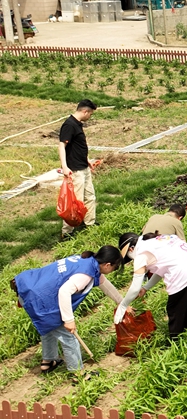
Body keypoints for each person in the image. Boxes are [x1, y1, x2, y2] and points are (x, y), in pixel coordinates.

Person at [13, 246, 125, 374]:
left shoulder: (87, 261)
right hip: (38, 298)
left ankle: (48, 362)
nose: (113, 270)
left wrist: (122, 303)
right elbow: (64, 291)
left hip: (29, 286)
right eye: (115, 268)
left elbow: (105, 284)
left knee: (50, 328)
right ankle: (78, 373)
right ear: (107, 265)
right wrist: (68, 320)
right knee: (69, 337)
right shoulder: (85, 274)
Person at [116, 232, 187, 339]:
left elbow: (135, 287)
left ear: (131, 249)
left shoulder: (141, 254)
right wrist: (145, 288)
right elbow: (161, 270)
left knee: (176, 311)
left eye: (129, 257)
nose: (132, 259)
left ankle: (177, 344)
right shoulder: (158, 240)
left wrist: (123, 305)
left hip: (182, 273)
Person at [59, 99, 99, 240]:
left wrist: (87, 161)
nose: (90, 117)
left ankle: (90, 223)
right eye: (90, 114)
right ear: (85, 111)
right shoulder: (69, 125)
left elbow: (78, 147)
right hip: (75, 170)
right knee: (75, 202)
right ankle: (67, 232)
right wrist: (64, 166)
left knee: (90, 196)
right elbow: (61, 147)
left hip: (83, 167)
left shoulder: (78, 124)